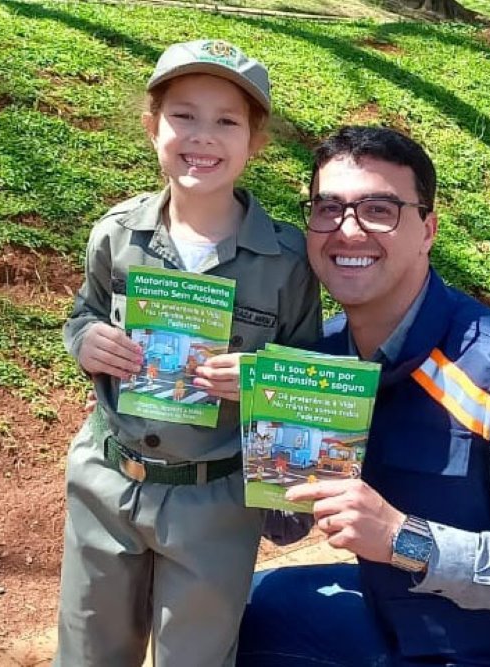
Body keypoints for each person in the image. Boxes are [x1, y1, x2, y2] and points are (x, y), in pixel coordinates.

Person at [238, 126, 490, 666]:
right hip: (398, 626)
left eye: (378, 210)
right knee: (246, 613)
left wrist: (405, 540)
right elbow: (286, 524)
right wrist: (228, 429)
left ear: (427, 230)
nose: (347, 230)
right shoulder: (322, 358)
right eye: (328, 208)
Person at [56, 40, 322, 666]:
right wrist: (86, 342)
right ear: (153, 127)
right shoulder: (117, 235)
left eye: (227, 121)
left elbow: (308, 382)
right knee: (88, 653)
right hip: (106, 483)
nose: (203, 136)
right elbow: (84, 313)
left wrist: (259, 380)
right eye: (183, 115)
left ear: (255, 143)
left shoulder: (288, 262)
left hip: (217, 502)